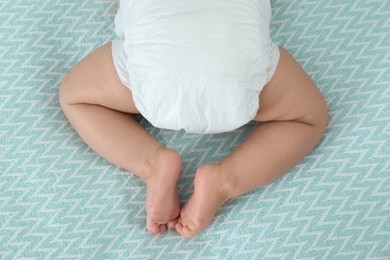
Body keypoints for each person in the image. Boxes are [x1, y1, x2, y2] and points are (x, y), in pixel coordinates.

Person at [59, 0, 328, 238]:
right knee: (309, 117)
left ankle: (151, 163)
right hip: (234, 68)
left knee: (75, 96)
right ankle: (224, 180)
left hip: (157, 67)